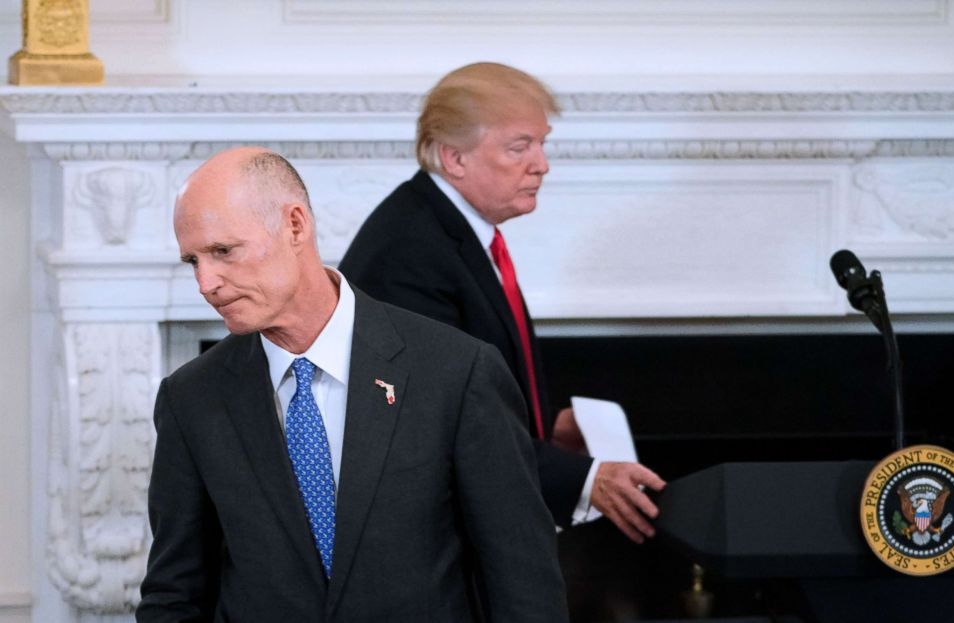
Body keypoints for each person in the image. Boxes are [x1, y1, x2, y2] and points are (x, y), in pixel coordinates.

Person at [136, 146, 569, 623]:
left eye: (222, 251)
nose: (206, 282)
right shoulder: (191, 399)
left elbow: (523, 584)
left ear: (295, 225)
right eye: (192, 261)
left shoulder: (456, 373)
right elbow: (174, 596)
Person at [339, 62, 666, 544]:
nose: (542, 163)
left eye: (541, 142)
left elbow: (466, 380)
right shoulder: (408, 254)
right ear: (454, 158)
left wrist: (542, 423)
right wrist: (579, 480)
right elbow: (439, 423)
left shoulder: (449, 229)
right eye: (520, 147)